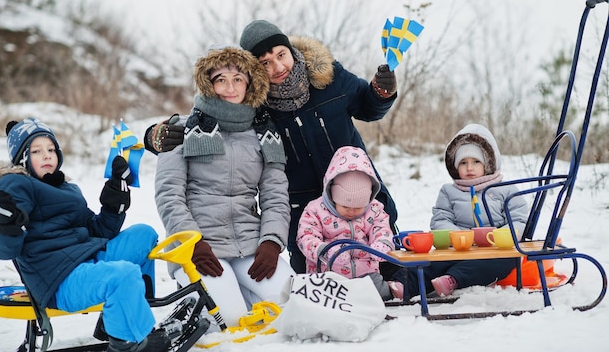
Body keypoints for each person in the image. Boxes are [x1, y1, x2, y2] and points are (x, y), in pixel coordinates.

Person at [146, 20, 399, 274]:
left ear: (291, 51)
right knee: (313, 296)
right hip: (308, 221)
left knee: (390, 281)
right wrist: (153, 136)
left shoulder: (331, 79)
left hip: (360, 203)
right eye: (265, 62)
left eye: (281, 55)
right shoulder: (257, 109)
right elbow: (217, 118)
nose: (278, 67)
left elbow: (368, 108)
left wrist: (381, 92)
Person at [0, 118, 171, 352]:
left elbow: (98, 231)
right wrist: (8, 225)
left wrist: (114, 200)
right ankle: (127, 344)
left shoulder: (67, 189)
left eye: (51, 149)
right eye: (36, 150)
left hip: (85, 258)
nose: (47, 155)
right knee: (123, 275)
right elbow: (3, 248)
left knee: (144, 234)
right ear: (22, 157)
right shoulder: (15, 185)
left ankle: (116, 319)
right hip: (59, 279)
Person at [153, 46, 293, 328]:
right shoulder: (181, 128)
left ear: (249, 85)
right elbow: (169, 196)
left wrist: (271, 242)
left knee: (291, 303)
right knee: (229, 319)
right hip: (201, 248)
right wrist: (192, 242)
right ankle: (203, 298)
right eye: (221, 79)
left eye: (238, 79)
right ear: (209, 83)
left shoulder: (264, 133)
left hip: (250, 244)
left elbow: (276, 196)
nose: (230, 87)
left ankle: (242, 292)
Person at [391, 123, 528, 299]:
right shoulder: (449, 191)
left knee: (499, 262)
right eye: (463, 163)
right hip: (458, 247)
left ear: (488, 163)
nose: (469, 168)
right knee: (435, 261)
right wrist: (459, 236)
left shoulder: (505, 190)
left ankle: (452, 280)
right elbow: (440, 219)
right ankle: (404, 285)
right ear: (455, 166)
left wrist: (501, 236)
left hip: (496, 249)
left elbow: (519, 219)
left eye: (476, 162)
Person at [296, 146, 403, 300]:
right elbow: (305, 237)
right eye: (345, 206)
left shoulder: (374, 210)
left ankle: (390, 290)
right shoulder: (315, 210)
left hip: (365, 274)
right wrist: (325, 250)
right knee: (327, 296)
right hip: (328, 277)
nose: (352, 212)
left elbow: (382, 229)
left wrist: (383, 243)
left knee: (376, 290)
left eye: (359, 207)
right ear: (333, 195)